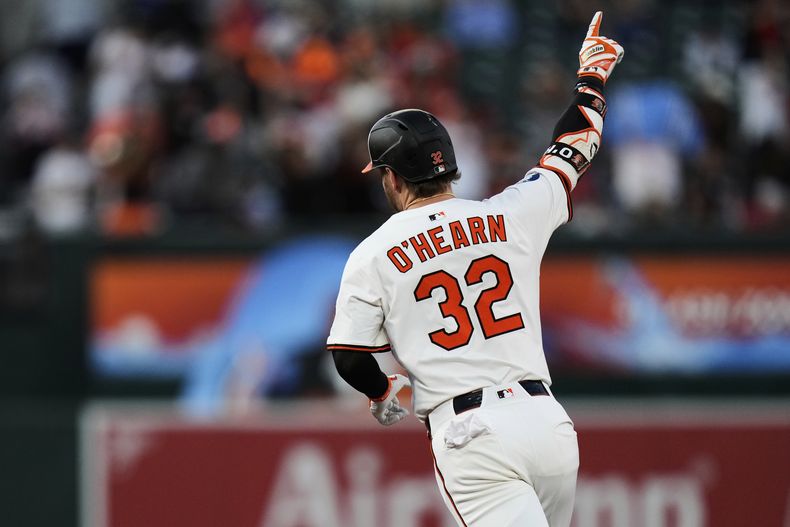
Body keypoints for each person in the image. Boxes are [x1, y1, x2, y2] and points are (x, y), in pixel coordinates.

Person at [328, 12, 623, 527]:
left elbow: (350, 357)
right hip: (546, 422)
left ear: (392, 178)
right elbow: (572, 150)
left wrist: (380, 392)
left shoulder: (373, 253)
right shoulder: (510, 212)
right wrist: (591, 80)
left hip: (471, 432)